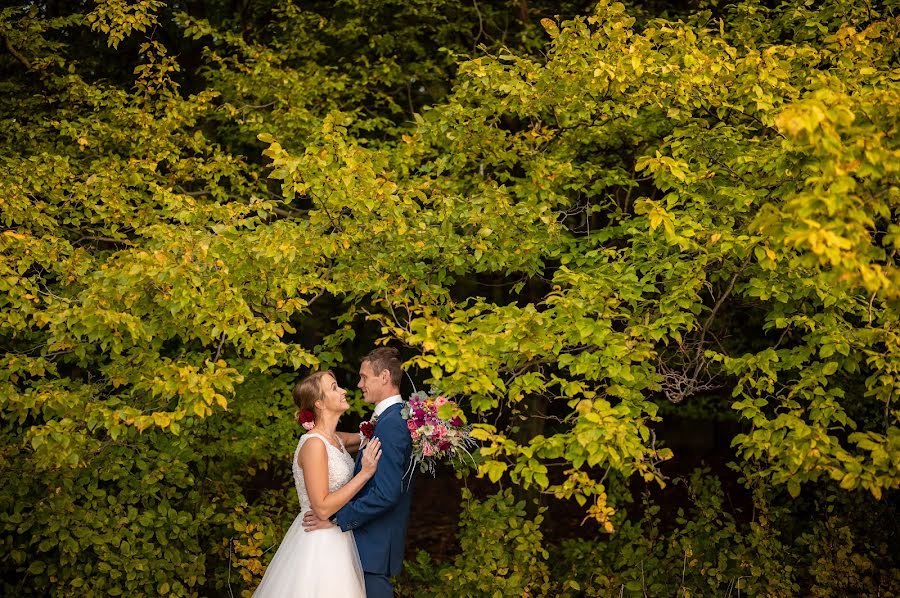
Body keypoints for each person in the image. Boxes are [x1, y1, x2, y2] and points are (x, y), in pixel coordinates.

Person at [252, 370, 381, 597]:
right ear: (319, 404)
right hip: (319, 541)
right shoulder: (313, 445)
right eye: (334, 388)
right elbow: (321, 507)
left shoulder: (336, 439)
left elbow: (369, 436)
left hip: (338, 535)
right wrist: (365, 473)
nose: (343, 391)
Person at [303, 347, 415, 598]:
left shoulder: (392, 425)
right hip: (358, 546)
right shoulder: (384, 421)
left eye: (364, 377)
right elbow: (334, 441)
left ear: (384, 377)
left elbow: (387, 494)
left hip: (372, 547)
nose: (358, 384)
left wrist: (336, 519)